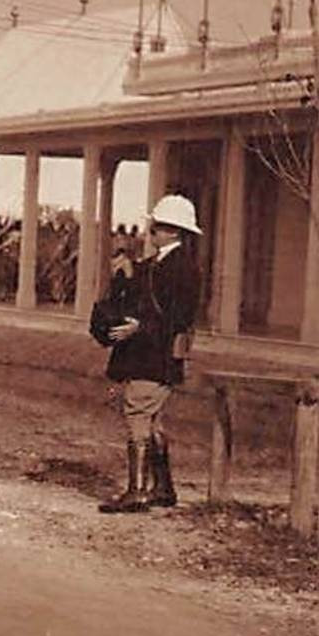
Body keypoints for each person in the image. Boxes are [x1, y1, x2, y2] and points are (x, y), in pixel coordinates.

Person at [91, 194, 202, 513]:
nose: (151, 232)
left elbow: (178, 316)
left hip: (157, 355)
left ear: (170, 230)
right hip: (153, 355)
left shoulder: (183, 268)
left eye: (155, 227)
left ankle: (137, 491)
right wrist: (129, 267)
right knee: (153, 422)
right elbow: (146, 279)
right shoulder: (164, 263)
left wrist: (138, 328)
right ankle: (163, 489)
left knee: (138, 414)